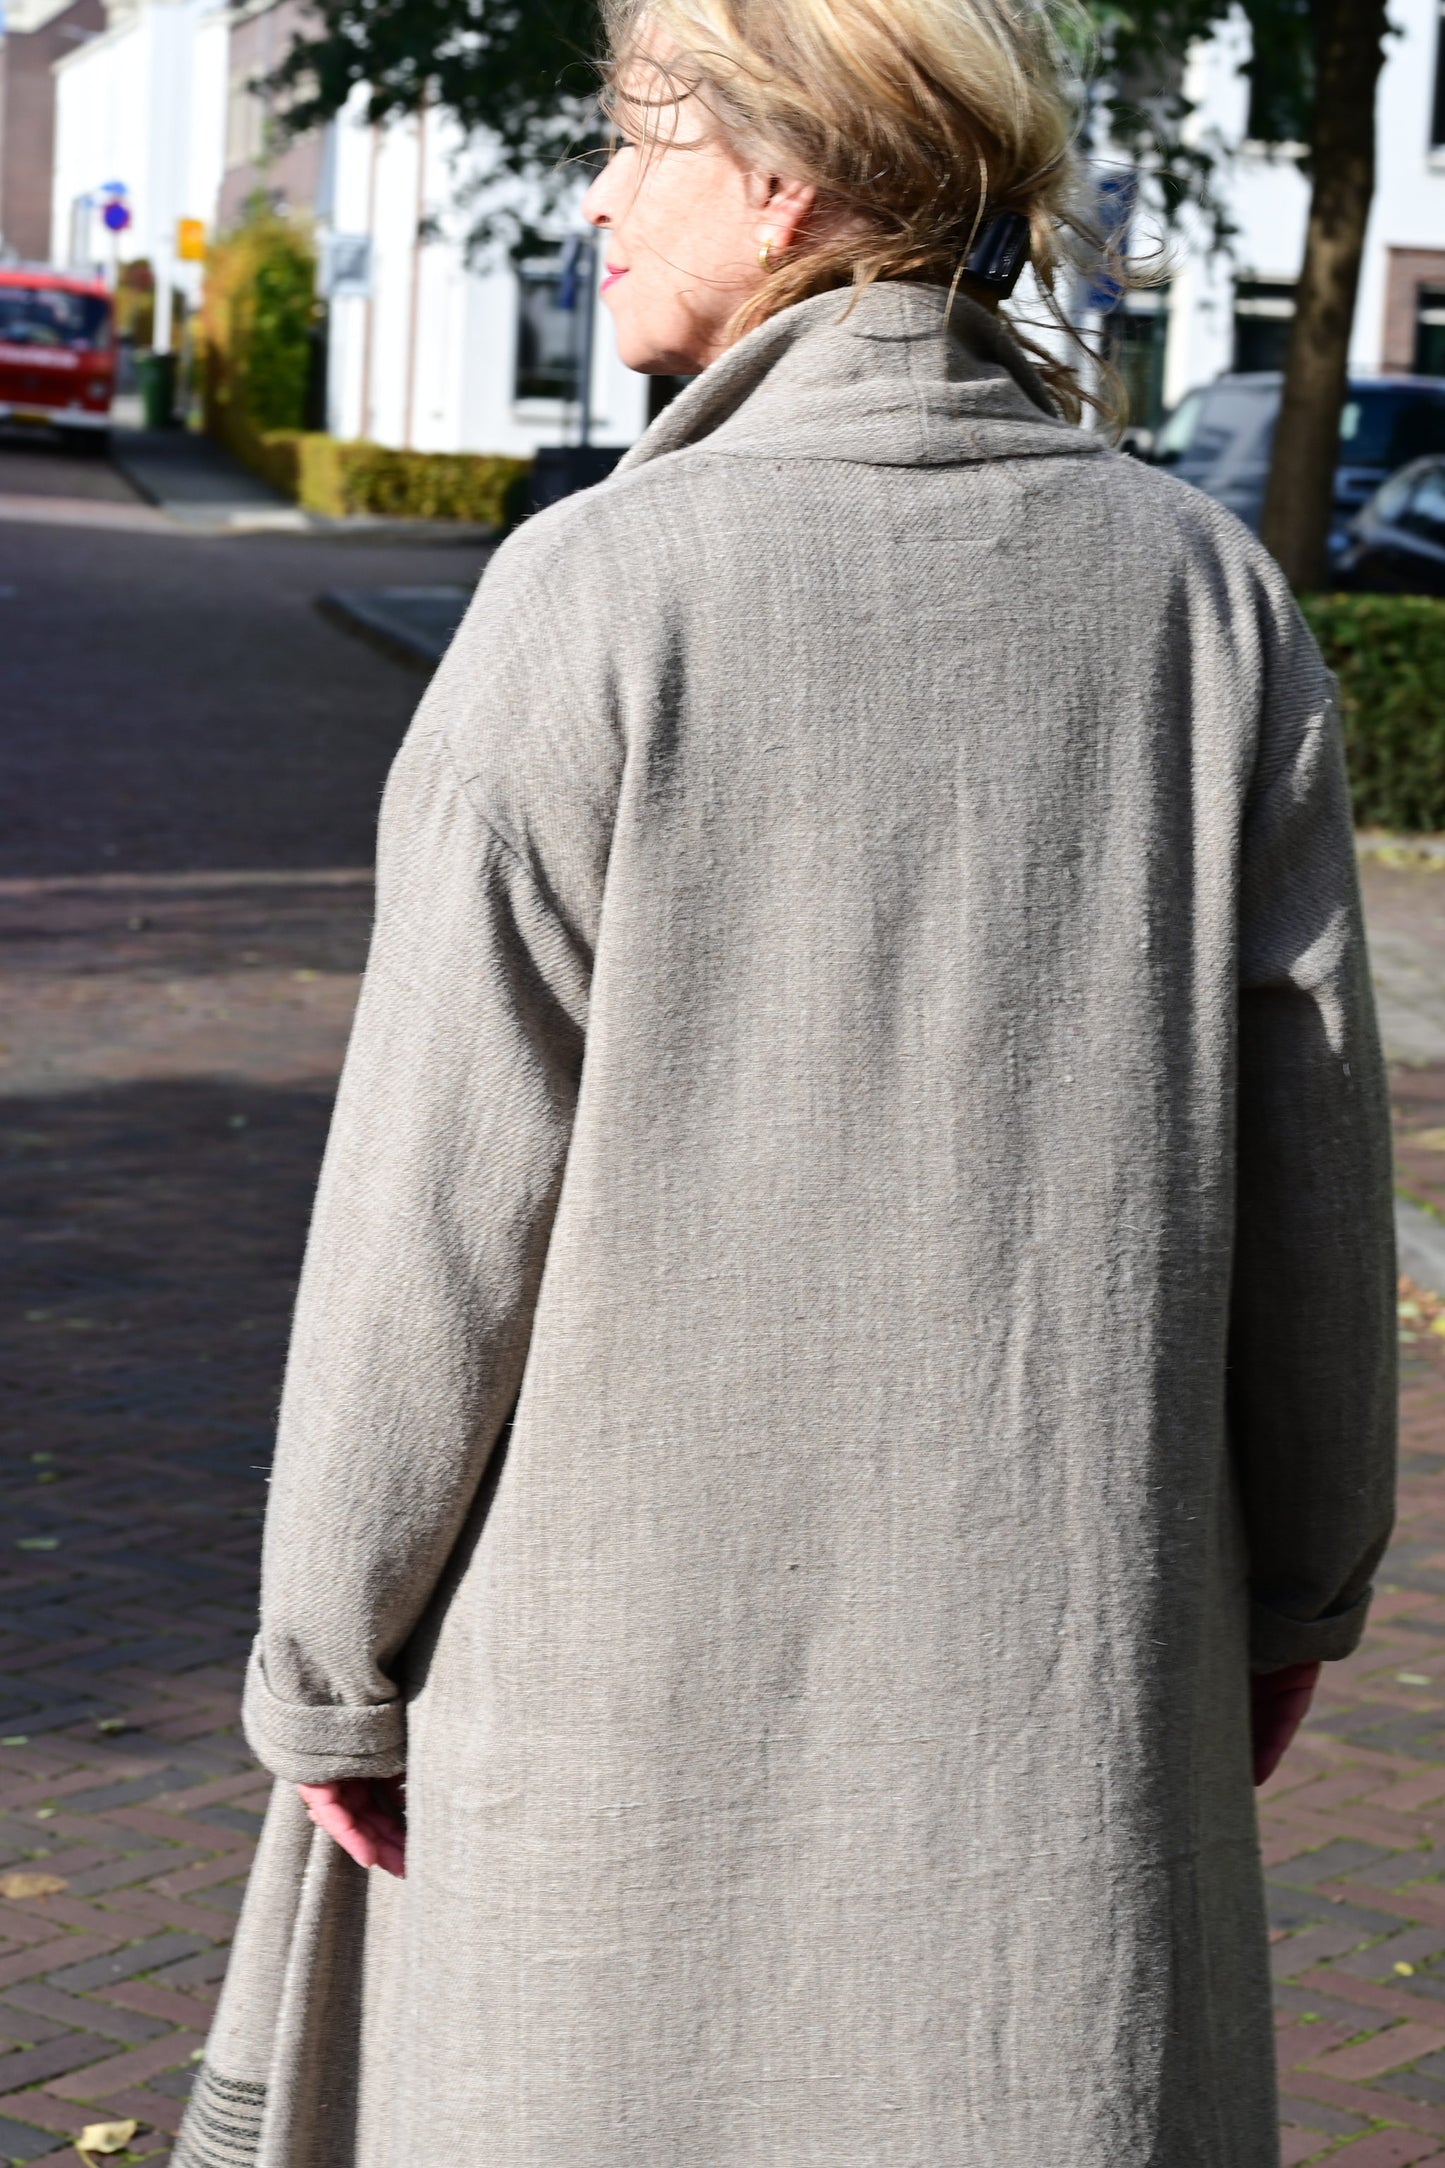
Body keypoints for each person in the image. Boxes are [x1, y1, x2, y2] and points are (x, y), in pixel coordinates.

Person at [173, 0, 1396, 2161]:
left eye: (633, 136)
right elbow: (1312, 1177)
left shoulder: (594, 598)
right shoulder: (1211, 606)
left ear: (783, 177)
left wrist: (332, 1658)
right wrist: (1298, 1582)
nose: (597, 190)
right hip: (1060, 1723)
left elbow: (437, 1218)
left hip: (604, 1735)